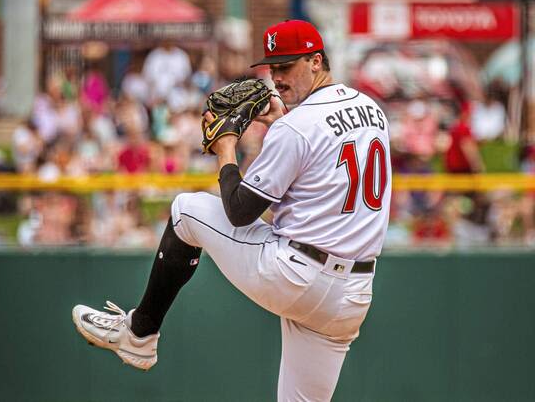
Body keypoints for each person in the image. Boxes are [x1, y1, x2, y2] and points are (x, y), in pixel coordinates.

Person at [72, 20, 392, 401]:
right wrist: (286, 123)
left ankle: (139, 333)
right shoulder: (370, 109)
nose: (277, 78)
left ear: (316, 61)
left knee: (186, 211)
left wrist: (226, 147)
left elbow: (240, 211)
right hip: (352, 296)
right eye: (272, 68)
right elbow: (320, 183)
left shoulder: (296, 128)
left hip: (297, 277)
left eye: (286, 67)